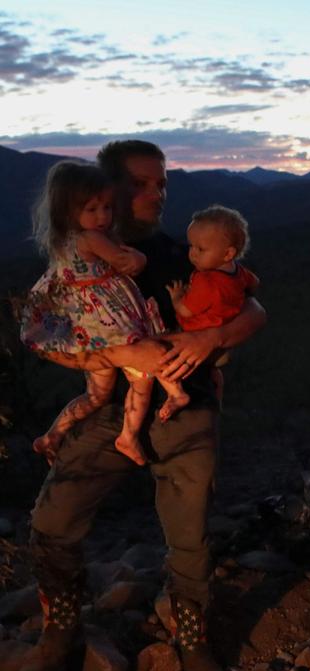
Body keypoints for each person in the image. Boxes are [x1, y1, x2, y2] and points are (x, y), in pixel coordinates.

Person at [11, 140, 266, 671]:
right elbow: (36, 330)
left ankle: (193, 642)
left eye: (163, 183)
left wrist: (212, 337)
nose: (157, 194)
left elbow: (254, 308)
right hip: (112, 410)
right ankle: (60, 635)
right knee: (53, 520)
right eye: (142, 184)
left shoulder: (183, 253)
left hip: (184, 406)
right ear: (104, 192)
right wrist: (113, 356)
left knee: (190, 534)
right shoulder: (76, 260)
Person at [19, 161, 190, 467]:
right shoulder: (92, 238)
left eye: (107, 208)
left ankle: (52, 435)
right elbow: (129, 264)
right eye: (92, 209)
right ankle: (129, 435)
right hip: (111, 321)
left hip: (88, 329)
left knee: (96, 395)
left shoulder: (64, 241)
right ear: (69, 211)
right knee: (141, 374)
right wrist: (137, 256)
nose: (102, 216)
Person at [167, 205, 260, 404]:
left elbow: (186, 310)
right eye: (191, 245)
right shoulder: (238, 271)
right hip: (225, 335)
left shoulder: (206, 281)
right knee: (211, 372)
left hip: (196, 334)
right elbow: (254, 284)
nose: (192, 254)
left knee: (160, 351)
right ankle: (215, 386)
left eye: (200, 249)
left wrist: (177, 297)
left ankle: (174, 395)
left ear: (227, 254)